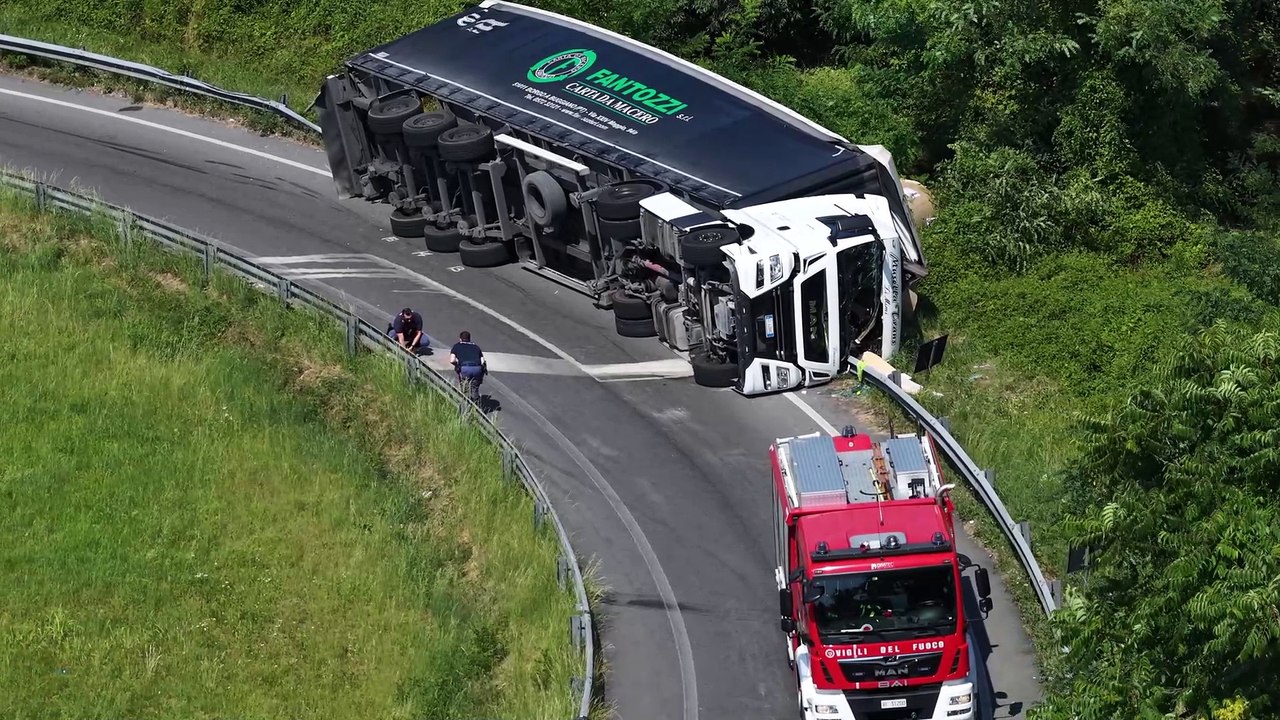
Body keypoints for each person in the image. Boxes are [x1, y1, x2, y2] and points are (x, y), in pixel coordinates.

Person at [449, 330, 486, 401]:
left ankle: (465, 405)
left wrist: (457, 365)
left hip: (465, 369)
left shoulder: (456, 346)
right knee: (474, 388)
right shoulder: (476, 347)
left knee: (465, 389)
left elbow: (452, 360)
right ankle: (476, 405)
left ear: (460, 339)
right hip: (477, 369)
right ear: (469, 339)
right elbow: (483, 361)